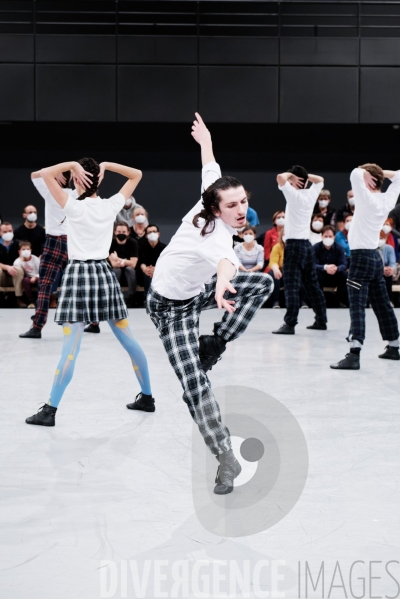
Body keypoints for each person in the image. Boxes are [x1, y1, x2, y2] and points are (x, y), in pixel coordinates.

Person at [146, 113, 273, 495]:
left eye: (244, 202)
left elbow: (210, 169)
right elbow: (225, 261)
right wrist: (221, 285)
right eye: (231, 205)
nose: (239, 210)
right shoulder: (213, 232)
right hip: (169, 310)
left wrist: (205, 141)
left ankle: (215, 342)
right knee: (194, 385)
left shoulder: (211, 198)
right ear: (216, 210)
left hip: (196, 293)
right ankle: (225, 456)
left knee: (262, 283)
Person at [25, 157, 154, 426]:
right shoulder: (110, 206)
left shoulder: (71, 206)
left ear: (76, 179)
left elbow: (44, 173)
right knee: (129, 340)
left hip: (78, 277)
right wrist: (107, 165)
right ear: (100, 180)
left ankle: (50, 410)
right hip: (104, 275)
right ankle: (147, 397)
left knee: (70, 349)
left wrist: (71, 164)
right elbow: (137, 173)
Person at [331, 164, 400, 370]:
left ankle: (354, 353)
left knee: (357, 306)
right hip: (375, 257)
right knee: (382, 303)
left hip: (361, 258)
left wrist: (367, 173)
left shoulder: (365, 197)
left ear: (368, 181)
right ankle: (394, 346)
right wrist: (378, 175)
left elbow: (354, 172)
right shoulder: (387, 199)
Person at [19, 170, 76, 339]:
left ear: (57, 177)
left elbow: (34, 175)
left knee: (45, 286)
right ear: (71, 179)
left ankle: (37, 326)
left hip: (53, 242)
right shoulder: (75, 195)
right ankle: (92, 322)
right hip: (72, 242)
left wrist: (53, 171)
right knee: (78, 284)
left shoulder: (51, 192)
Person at [272, 166, 327, 335]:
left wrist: (292, 177)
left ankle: (290, 324)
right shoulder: (310, 194)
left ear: (294, 181)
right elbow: (320, 180)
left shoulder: (293, 194)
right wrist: (303, 176)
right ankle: (321, 320)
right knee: (312, 285)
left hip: (294, 246)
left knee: (291, 286)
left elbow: (280, 177)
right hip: (307, 246)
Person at [313, 225, 348, 307]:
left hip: (335, 274)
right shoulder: (315, 247)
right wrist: (325, 267)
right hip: (321, 275)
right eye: (326, 236)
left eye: (330, 236)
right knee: (315, 275)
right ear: (322, 236)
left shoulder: (339, 248)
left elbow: (344, 264)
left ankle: (338, 301)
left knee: (344, 275)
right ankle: (319, 302)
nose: (328, 238)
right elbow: (312, 265)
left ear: (334, 237)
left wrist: (337, 268)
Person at [109, 221, 139, 307]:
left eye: (123, 232)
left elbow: (133, 264)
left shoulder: (133, 242)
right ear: (115, 232)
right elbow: (114, 264)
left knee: (130, 269)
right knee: (116, 270)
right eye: (119, 232)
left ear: (128, 232)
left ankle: (132, 297)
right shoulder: (110, 243)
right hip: (117, 270)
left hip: (129, 271)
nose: (121, 234)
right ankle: (115, 297)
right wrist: (125, 261)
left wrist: (118, 259)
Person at [0, 222, 25, 307]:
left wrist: (14, 266)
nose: (8, 233)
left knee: (18, 269)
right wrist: (7, 267)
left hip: (16, 276)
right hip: (2, 277)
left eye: (10, 231)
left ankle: (19, 298)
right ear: (0, 232)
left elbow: (24, 259)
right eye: (5, 232)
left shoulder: (19, 244)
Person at [138, 224, 166, 299]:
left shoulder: (164, 248)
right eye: (149, 232)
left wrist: (155, 270)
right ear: (146, 235)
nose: (152, 233)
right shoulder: (141, 247)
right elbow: (141, 261)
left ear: (158, 234)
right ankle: (147, 297)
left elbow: (165, 263)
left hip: (159, 271)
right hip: (145, 272)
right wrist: (145, 269)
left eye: (154, 231)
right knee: (148, 275)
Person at [13, 240, 40, 308]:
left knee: (40, 281)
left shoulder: (35, 259)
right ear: (19, 251)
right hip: (27, 278)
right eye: (23, 249)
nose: (26, 251)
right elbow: (16, 270)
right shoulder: (17, 261)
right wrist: (21, 260)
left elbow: (41, 272)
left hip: (37, 276)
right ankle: (31, 301)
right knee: (25, 280)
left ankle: (39, 300)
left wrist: (35, 277)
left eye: (28, 249)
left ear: (31, 250)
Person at [378, 230, 397, 305]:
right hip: (374, 270)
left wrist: (391, 269)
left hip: (386, 270)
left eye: (382, 238)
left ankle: (388, 300)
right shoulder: (370, 249)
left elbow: (392, 263)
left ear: (385, 239)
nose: (380, 241)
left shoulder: (389, 248)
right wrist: (381, 269)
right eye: (378, 238)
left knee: (389, 275)